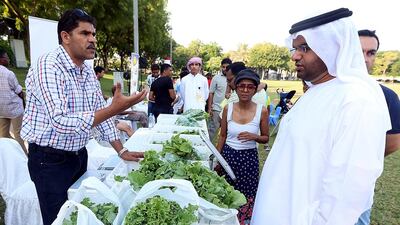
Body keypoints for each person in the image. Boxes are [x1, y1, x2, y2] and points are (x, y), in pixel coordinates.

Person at [252, 8, 390, 225]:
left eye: (304, 48)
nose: (295, 55)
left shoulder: (356, 98)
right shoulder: (317, 90)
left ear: (332, 47)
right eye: (295, 48)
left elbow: (346, 196)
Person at [21, 9, 147, 225]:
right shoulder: (49, 65)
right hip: (49, 160)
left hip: (79, 155)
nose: (93, 40)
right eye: (85, 34)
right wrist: (114, 108)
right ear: (65, 37)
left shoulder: (87, 70)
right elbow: (60, 121)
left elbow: (99, 110)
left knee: (79, 214)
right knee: (60, 220)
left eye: (94, 34)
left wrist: (121, 149)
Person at [355, 29, 400, 225]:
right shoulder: (322, 90)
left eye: (371, 53)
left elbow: (393, 141)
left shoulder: (386, 96)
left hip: (359, 183)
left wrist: (361, 159)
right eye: (359, 51)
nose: (365, 58)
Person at [217, 69, 269, 224]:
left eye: (250, 87)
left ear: (255, 89)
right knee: (226, 196)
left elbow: (266, 138)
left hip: (248, 161)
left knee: (246, 197)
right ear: (236, 87)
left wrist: (255, 136)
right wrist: (218, 159)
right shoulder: (228, 108)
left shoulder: (262, 111)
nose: (245, 90)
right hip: (229, 157)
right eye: (241, 86)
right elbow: (222, 136)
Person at [0, 49, 28, 153]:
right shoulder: (8, 73)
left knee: (3, 136)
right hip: (14, 109)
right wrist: (24, 102)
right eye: (6, 58)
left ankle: (9, 154)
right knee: (18, 134)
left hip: (1, 110)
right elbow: (19, 90)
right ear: (1, 60)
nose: (8, 60)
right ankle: (24, 156)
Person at [207, 58, 231, 142]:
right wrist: (210, 108)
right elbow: (211, 93)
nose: (225, 69)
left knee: (227, 132)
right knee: (212, 130)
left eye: (227, 67)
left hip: (229, 110)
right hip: (216, 109)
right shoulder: (216, 78)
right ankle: (207, 148)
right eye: (223, 67)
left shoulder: (234, 78)